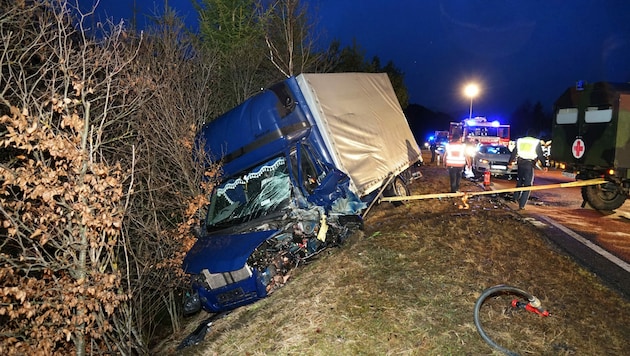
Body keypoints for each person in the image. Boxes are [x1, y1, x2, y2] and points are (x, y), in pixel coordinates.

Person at [508, 130, 546, 210]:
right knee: (528, 185)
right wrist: (544, 165)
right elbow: (540, 154)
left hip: (520, 163)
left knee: (520, 182)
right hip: (529, 164)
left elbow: (514, 152)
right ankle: (522, 205)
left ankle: (515, 198)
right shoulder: (536, 142)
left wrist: (510, 162)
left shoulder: (520, 140)